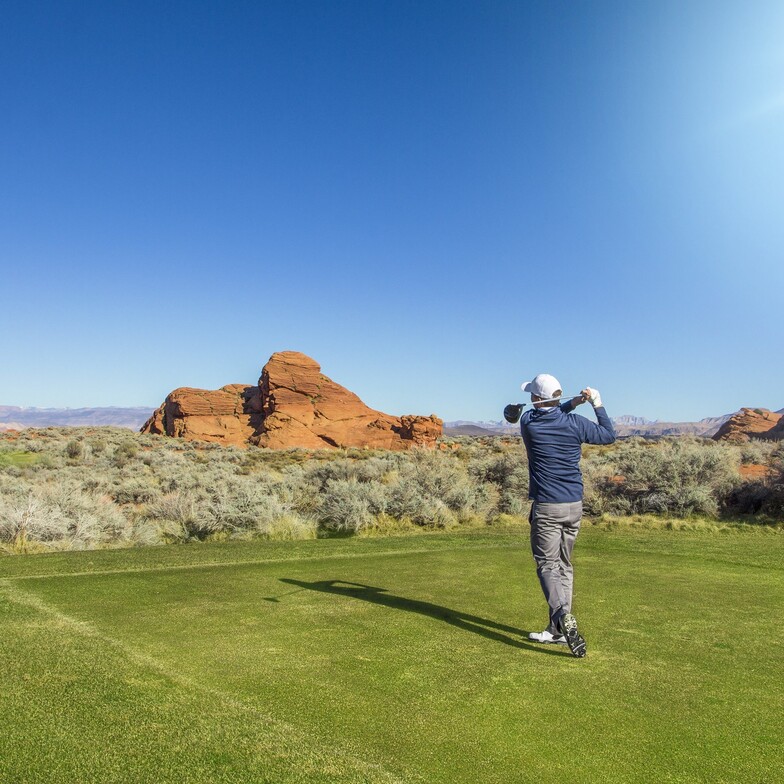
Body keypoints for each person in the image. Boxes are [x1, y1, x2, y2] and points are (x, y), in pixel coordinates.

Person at [518, 373, 615, 658]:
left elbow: (547, 410)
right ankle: (557, 631)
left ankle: (561, 616)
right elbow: (608, 435)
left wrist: (572, 402)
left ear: (537, 399)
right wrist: (595, 403)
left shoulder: (529, 423)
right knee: (564, 565)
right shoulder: (575, 424)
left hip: (547, 507)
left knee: (547, 565)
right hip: (574, 505)